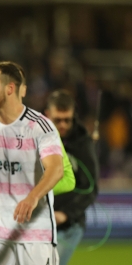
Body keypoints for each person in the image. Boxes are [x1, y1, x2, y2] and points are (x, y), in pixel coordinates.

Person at [0, 61, 64, 265]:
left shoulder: (39, 126)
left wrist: (32, 197)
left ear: (9, 89)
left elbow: (56, 169)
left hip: (34, 236)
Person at [44, 90, 99, 265]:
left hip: (67, 226)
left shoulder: (83, 144)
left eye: (67, 120)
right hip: (40, 220)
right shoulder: (37, 137)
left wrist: (66, 214)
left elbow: (91, 188)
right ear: (47, 115)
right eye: (57, 120)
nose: (63, 125)